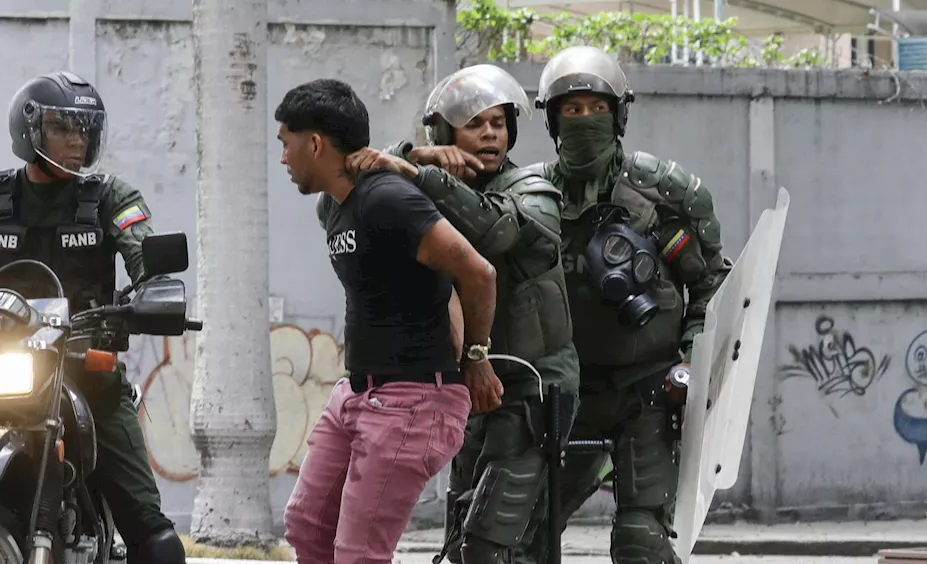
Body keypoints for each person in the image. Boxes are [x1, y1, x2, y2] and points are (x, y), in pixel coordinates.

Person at [0, 71, 185, 564]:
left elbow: (142, 256)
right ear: (29, 131)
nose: (76, 140)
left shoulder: (111, 197)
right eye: (62, 127)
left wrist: (152, 292)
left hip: (85, 370)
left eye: (83, 130)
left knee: (155, 539)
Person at [349, 63, 580, 564]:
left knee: (488, 542)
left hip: (535, 388)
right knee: (462, 536)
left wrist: (423, 174)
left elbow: (500, 232)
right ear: (446, 132)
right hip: (472, 387)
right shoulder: (427, 183)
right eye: (475, 124)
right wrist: (416, 155)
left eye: (498, 123)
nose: (490, 133)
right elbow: (344, 199)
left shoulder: (534, 189)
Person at [274, 77, 502, 564]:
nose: (283, 158)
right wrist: (416, 153)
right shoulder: (332, 206)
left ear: (314, 143)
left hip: (413, 401)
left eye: (285, 144)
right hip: (356, 394)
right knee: (308, 526)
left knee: (359, 554)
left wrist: (477, 357)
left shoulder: (387, 199)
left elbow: (478, 272)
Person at [529, 46, 734, 564]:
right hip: (561, 393)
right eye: (570, 110)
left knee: (640, 541)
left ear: (618, 113)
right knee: (520, 537)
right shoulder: (530, 198)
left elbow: (712, 284)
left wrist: (691, 360)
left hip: (646, 391)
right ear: (551, 119)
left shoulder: (663, 195)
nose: (584, 120)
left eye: (595, 108)